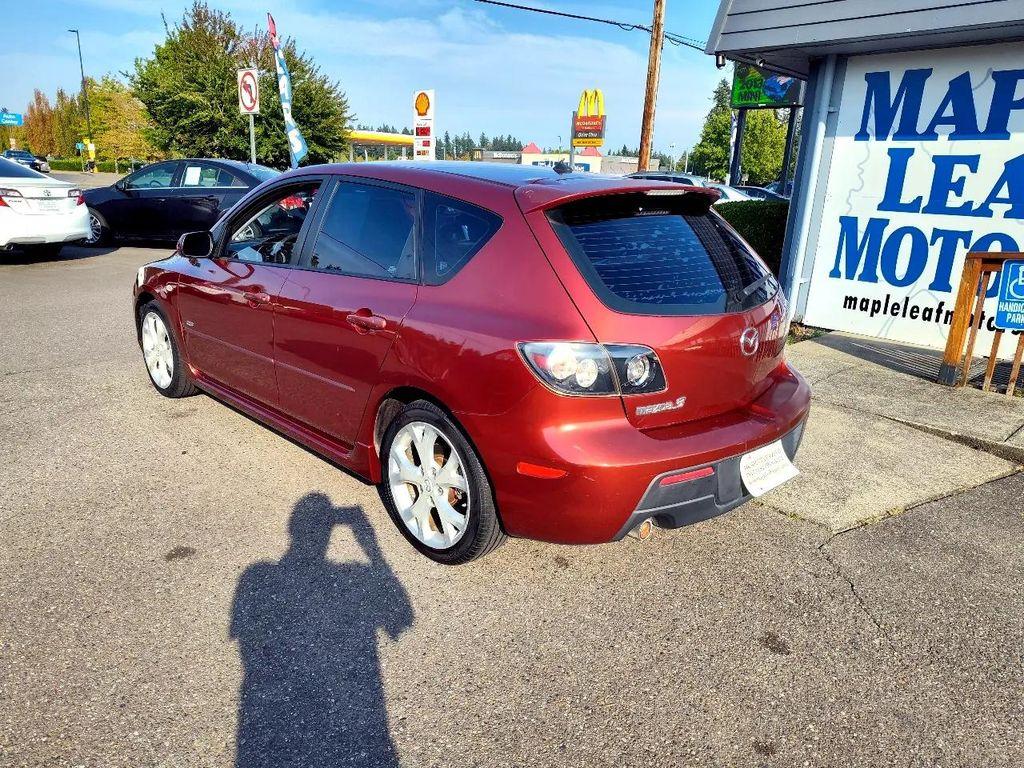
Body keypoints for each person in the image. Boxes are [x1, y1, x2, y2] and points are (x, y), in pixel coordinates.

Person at [230, 493, 413, 767]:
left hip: (268, 720)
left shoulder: (257, 576)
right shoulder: (354, 574)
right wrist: (374, 552)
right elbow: (401, 619)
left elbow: (247, 639)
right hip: (360, 720)